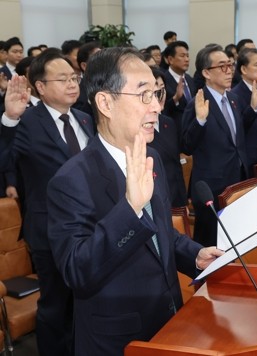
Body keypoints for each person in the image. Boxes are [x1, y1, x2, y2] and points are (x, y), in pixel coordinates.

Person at [46, 47, 222, 356]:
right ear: (105, 103)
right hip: (118, 340)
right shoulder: (70, 180)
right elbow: (77, 270)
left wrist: (194, 256)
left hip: (169, 322)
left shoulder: (150, 156)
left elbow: (161, 233)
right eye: (144, 95)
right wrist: (130, 209)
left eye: (156, 93)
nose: (156, 106)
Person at [1, 48, 94, 356]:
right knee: (56, 306)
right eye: (62, 79)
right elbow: (6, 160)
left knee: (86, 301)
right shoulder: (27, 122)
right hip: (51, 232)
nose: (72, 84)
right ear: (39, 86)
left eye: (74, 77)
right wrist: (10, 119)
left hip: (92, 227)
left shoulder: (84, 117)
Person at [182, 44, 249, 247]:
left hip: (236, 180)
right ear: (206, 73)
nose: (229, 71)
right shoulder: (197, 103)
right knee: (211, 244)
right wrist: (200, 120)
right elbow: (186, 145)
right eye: (222, 66)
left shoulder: (234, 100)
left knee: (234, 239)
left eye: (230, 65)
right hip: (212, 186)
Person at [148, 66, 188, 207]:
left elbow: (177, 164)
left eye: (162, 89)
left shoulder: (168, 122)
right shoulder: (138, 128)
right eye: (154, 91)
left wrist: (184, 201)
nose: (160, 95)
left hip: (177, 197)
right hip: (157, 202)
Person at [231, 48, 257, 172]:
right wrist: (252, 108)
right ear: (243, 69)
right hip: (250, 162)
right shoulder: (235, 95)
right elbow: (238, 129)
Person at [162, 41, 196, 141]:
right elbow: (162, 111)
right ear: (170, 59)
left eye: (187, 56)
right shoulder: (163, 80)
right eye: (182, 56)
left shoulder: (189, 79)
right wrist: (175, 99)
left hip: (192, 132)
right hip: (175, 134)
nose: (187, 59)